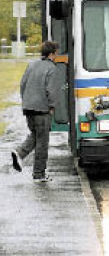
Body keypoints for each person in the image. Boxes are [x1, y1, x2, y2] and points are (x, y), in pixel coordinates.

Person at [11, 41, 60, 182]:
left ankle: (19, 153)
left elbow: (22, 84)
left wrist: (26, 100)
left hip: (28, 107)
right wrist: (52, 106)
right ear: (51, 54)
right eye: (56, 52)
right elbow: (51, 90)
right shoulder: (52, 68)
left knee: (36, 134)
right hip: (42, 109)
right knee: (42, 141)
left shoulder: (31, 64)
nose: (57, 55)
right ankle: (39, 174)